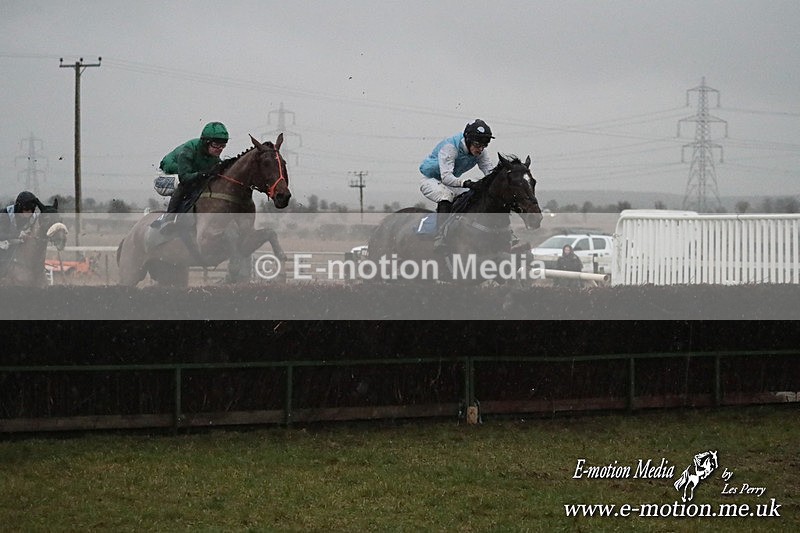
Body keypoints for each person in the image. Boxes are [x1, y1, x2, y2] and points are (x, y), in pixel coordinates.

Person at [419, 119, 495, 249]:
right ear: (468, 140)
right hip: (430, 180)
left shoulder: (480, 152)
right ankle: (440, 237)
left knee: (470, 196)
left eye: (484, 145)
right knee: (446, 196)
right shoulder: (450, 148)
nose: (481, 149)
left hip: (449, 182)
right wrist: (466, 183)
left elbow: (489, 172)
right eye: (477, 145)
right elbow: (446, 178)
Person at [152, 121, 229, 233]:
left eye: (223, 146)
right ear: (206, 142)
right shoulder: (189, 149)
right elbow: (184, 178)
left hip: (184, 176)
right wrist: (204, 174)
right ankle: (169, 218)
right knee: (184, 183)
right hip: (163, 178)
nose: (220, 149)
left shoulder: (214, 158)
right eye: (216, 145)